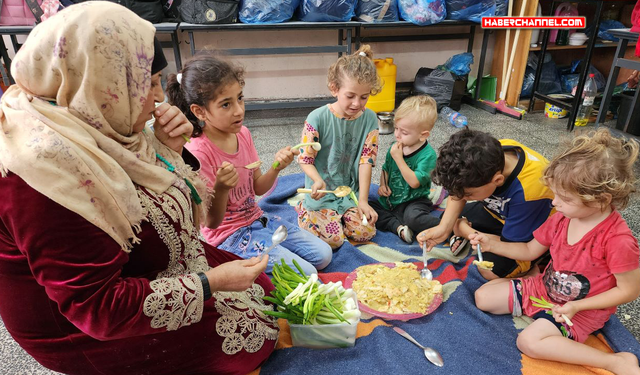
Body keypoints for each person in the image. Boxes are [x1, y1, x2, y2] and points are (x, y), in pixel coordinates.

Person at [0, 3, 278, 375]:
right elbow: (97, 308)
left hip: (125, 273)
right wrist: (209, 283)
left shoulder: (91, 117)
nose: (159, 99)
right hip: (75, 328)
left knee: (264, 288)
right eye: (145, 85)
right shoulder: (42, 171)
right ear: (99, 85)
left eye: (158, 82)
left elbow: (172, 208)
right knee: (252, 333)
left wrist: (168, 150)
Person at [471, 129, 640, 375]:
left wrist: (578, 307)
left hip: (581, 309)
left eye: (564, 198)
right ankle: (538, 303)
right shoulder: (562, 217)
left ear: (600, 200)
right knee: (483, 297)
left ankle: (614, 362)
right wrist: (491, 244)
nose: (554, 203)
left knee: (528, 342)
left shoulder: (618, 240)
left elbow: (630, 290)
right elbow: (530, 250)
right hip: (545, 288)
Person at [166, 53, 332, 276]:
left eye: (240, 98)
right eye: (226, 104)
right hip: (229, 237)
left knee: (324, 255)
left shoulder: (243, 134)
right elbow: (211, 223)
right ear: (200, 111)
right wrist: (221, 188)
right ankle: (230, 265)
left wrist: (276, 167)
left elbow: (258, 189)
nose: (239, 110)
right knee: (307, 272)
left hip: (258, 220)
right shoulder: (198, 153)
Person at [417, 129, 554, 280]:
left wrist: (464, 230)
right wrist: (444, 228)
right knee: (447, 217)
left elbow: (520, 247)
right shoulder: (490, 153)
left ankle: (537, 264)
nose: (462, 198)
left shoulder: (531, 192)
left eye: (469, 194)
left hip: (529, 230)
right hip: (499, 213)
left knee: (489, 270)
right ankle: (462, 230)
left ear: (498, 180)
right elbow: (457, 196)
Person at [296, 45, 381, 249]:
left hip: (349, 193)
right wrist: (317, 181)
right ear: (335, 88)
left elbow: (365, 161)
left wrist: (363, 200)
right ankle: (304, 209)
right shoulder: (317, 118)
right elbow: (305, 159)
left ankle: (339, 216)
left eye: (364, 97)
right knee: (333, 241)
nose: (357, 103)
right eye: (350, 96)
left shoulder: (370, 118)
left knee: (365, 232)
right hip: (323, 194)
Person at [368, 95, 440, 244]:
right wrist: (383, 185)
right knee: (367, 208)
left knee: (413, 218)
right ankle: (399, 228)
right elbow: (385, 169)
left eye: (404, 132)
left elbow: (414, 183)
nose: (397, 135)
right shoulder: (395, 147)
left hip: (414, 201)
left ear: (423, 135)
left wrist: (399, 159)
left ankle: (446, 226)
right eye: (396, 128)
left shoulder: (428, 155)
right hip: (391, 201)